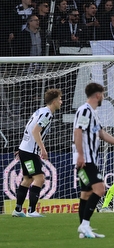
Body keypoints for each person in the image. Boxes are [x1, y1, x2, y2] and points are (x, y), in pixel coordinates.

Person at [74, 83, 114, 238]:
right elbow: (77, 131)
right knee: (100, 189)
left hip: (89, 159)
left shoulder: (93, 113)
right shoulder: (85, 110)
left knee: (86, 194)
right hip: (86, 160)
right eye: (102, 93)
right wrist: (80, 154)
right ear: (98, 95)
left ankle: (84, 229)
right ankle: (85, 225)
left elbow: (101, 134)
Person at [13, 89, 62, 217]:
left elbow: (29, 128)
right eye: (60, 99)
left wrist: (23, 146)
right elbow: (35, 131)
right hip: (30, 151)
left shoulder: (40, 111)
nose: (61, 102)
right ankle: (31, 211)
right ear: (54, 101)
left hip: (25, 149)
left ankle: (18, 210)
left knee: (27, 179)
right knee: (39, 179)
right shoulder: (47, 114)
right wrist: (43, 149)